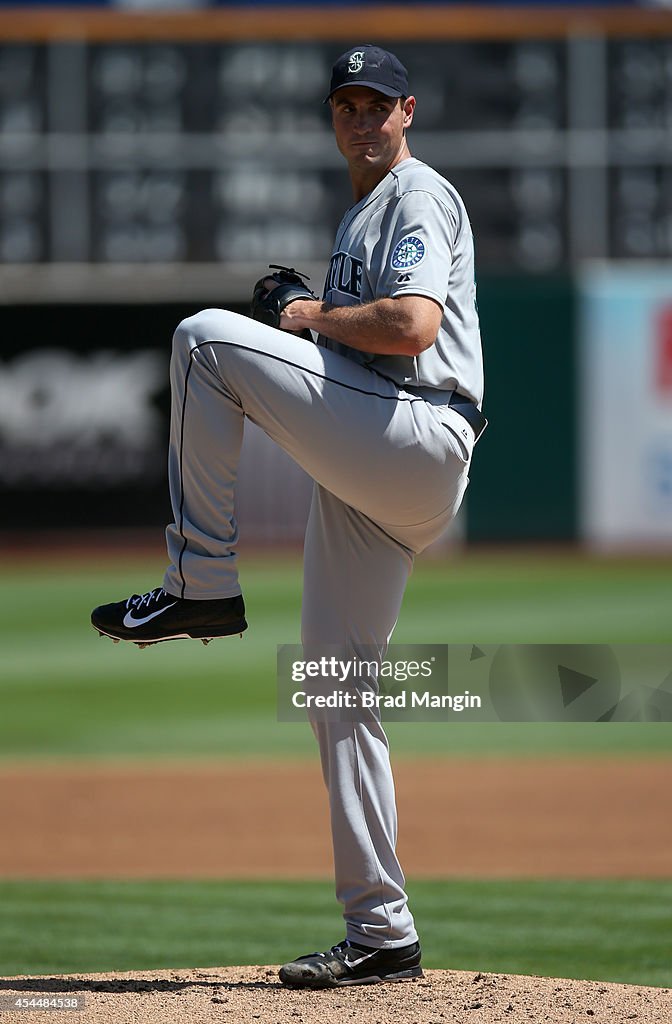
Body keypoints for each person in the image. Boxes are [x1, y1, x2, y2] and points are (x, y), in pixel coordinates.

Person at [91, 43, 485, 989]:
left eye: (376, 104)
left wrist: (304, 315)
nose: (360, 119)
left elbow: (414, 329)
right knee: (334, 689)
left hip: (421, 432)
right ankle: (382, 931)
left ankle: (200, 586)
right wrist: (312, 311)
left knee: (199, 343)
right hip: (381, 466)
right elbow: (365, 340)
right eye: (345, 104)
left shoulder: (414, 193)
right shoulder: (361, 212)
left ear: (408, 111)